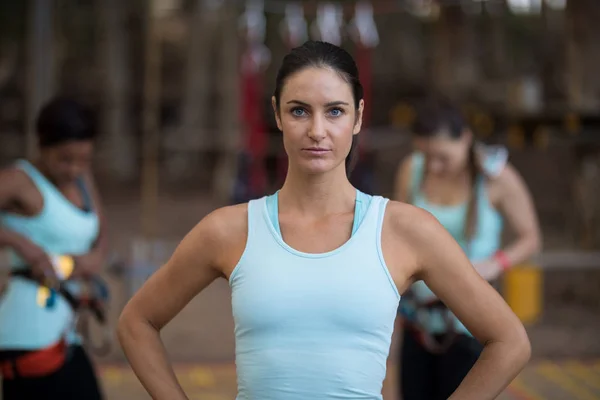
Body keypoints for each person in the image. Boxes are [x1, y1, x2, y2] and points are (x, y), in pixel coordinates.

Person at [117, 41, 531, 400]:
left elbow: (510, 342)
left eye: (335, 111)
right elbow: (137, 322)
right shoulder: (229, 230)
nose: (317, 130)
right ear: (277, 114)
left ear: (359, 116)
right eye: (300, 111)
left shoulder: (406, 230)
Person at [394, 99, 541, 400]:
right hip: (418, 319)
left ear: (466, 139)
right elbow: (398, 231)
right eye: (425, 155)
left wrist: (495, 263)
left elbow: (531, 238)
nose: (433, 166)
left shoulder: (496, 177)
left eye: (442, 157)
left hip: (469, 323)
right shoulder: (413, 168)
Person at [0, 97, 107, 399]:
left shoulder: (82, 178)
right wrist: (20, 243)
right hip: (26, 335)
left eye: (84, 159)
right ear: (41, 146)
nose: (74, 168)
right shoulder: (19, 181)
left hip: (66, 330)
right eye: (64, 158)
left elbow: (99, 231)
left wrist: (91, 260)